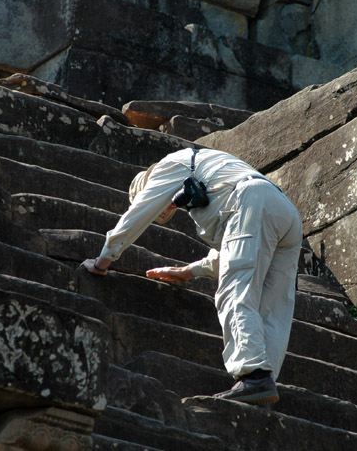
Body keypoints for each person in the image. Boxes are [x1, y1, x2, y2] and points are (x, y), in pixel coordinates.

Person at [82, 147, 303, 405]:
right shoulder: (208, 175)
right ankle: (264, 385)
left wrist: (103, 261)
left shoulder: (165, 167)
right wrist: (187, 271)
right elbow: (239, 249)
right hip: (284, 213)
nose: (164, 213)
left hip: (253, 200)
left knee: (235, 290)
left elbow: (137, 215)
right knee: (273, 307)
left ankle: (254, 375)